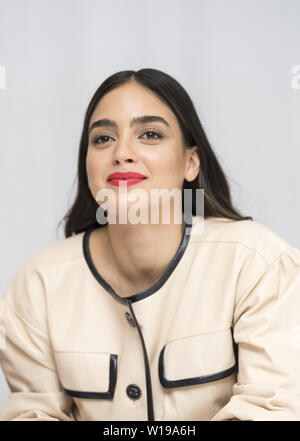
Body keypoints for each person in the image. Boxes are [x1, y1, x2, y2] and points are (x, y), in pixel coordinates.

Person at [1, 68, 300, 421]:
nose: (122, 152)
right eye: (102, 139)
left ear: (191, 163)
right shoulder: (38, 285)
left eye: (150, 134)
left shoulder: (258, 264)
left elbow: (271, 411)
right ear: (88, 165)